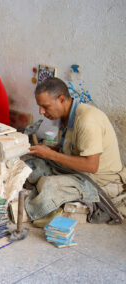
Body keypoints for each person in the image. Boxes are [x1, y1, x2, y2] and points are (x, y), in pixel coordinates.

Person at [25, 77, 125, 223]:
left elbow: (91, 166)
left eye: (45, 106)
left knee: (47, 185)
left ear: (61, 99)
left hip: (99, 180)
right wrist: (50, 150)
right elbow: (70, 146)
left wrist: (51, 155)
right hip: (75, 170)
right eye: (40, 106)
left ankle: (27, 213)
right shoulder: (63, 115)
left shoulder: (87, 120)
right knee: (29, 165)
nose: (41, 111)